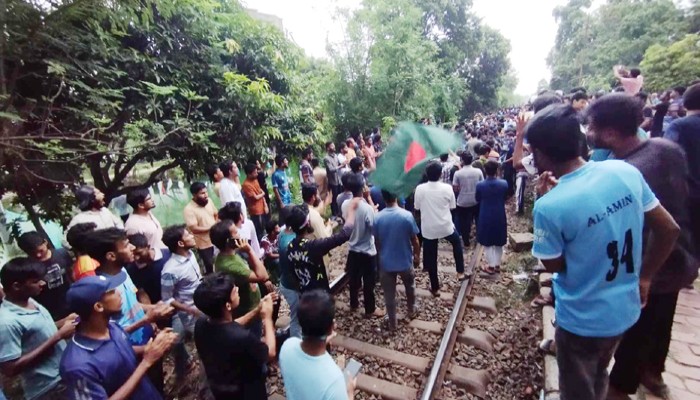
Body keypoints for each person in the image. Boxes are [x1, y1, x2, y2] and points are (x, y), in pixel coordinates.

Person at [526, 104, 679, 400]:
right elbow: (669, 230)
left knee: (578, 388)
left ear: (540, 152)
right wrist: (646, 276)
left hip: (581, 320)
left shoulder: (550, 206)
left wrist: (544, 201)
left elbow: (554, 264)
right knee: (600, 370)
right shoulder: (624, 171)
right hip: (625, 310)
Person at [586, 94, 698, 399]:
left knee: (635, 336)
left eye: (591, 127)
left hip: (649, 267)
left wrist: (646, 275)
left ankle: (618, 390)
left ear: (610, 133)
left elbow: (663, 228)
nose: (588, 133)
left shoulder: (628, 172)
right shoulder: (665, 149)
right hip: (678, 261)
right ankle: (653, 375)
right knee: (659, 327)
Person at [59, 274, 178, 399]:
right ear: (98, 306)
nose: (119, 293)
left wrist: (152, 348)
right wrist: (146, 362)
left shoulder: (110, 326)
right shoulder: (77, 365)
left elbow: (119, 350)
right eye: (112, 292)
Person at [0, 258, 77, 400]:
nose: (43, 283)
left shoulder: (28, 300)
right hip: (49, 388)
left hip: (64, 374)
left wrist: (62, 323)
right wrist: (58, 336)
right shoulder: (7, 322)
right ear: (17, 286)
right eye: (35, 281)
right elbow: (10, 369)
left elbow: (36, 333)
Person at [193, 272, 276, 400]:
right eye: (234, 290)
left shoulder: (202, 323)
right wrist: (267, 317)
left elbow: (229, 326)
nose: (237, 289)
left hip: (221, 389)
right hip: (247, 392)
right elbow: (270, 352)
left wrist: (257, 310)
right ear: (227, 305)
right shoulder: (243, 338)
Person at [85, 228, 173, 347]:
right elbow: (109, 336)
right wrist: (146, 320)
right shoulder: (102, 290)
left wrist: (154, 308)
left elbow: (132, 306)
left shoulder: (123, 271)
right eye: (126, 246)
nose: (133, 247)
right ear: (111, 256)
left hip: (146, 337)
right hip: (129, 348)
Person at [279, 290, 356, 400]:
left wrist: (322, 341)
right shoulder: (334, 381)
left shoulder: (287, 347)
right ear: (332, 327)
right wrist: (350, 393)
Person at [286, 198, 359, 293]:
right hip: (320, 296)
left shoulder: (289, 247)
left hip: (304, 295)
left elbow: (293, 276)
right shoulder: (313, 246)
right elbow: (344, 234)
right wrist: (351, 211)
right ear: (308, 223)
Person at [210, 220, 269, 335]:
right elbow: (263, 276)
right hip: (247, 311)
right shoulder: (230, 265)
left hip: (250, 305)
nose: (240, 234)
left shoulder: (230, 254)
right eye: (236, 233)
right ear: (229, 241)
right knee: (253, 336)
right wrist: (249, 249)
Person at [415, 161, 466, 294]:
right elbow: (452, 207)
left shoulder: (420, 189)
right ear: (440, 174)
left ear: (426, 174)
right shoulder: (447, 188)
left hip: (428, 228)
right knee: (456, 243)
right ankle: (460, 271)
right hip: (445, 226)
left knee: (431, 257)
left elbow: (417, 208)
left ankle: (435, 287)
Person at [160, 225, 202, 381]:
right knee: (188, 340)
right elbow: (168, 299)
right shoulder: (170, 270)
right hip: (188, 312)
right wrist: (191, 310)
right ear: (180, 243)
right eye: (188, 235)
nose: (192, 236)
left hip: (200, 305)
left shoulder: (191, 254)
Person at [374, 190, 420, 331]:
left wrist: (378, 259)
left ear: (383, 197)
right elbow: (415, 240)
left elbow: (377, 243)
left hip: (386, 263)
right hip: (405, 260)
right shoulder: (406, 216)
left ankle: (393, 323)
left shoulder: (377, 218)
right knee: (410, 286)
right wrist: (417, 256)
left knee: (389, 295)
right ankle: (411, 309)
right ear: (396, 196)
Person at [665, 83, 700, 258]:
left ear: (684, 103)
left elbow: (667, 154)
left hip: (689, 192)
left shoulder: (679, 126)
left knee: (689, 238)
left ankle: (688, 281)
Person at [340, 174, 383, 318]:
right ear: (363, 187)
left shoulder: (345, 205)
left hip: (353, 249)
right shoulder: (367, 209)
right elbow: (373, 230)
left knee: (353, 279)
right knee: (368, 282)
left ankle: (353, 304)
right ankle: (370, 309)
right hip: (367, 251)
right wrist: (375, 212)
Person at [17, 231, 73, 321]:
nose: (38, 255)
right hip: (50, 310)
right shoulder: (27, 267)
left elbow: (71, 274)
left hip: (70, 301)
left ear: (45, 242)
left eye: (40, 250)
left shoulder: (62, 254)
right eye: (32, 253)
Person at [475, 161, 508, 275]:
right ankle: (497, 264)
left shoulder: (480, 185)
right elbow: (506, 196)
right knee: (499, 240)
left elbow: (477, 199)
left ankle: (491, 266)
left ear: (485, 171)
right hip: (499, 213)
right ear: (497, 170)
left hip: (485, 214)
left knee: (487, 241)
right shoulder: (504, 184)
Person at [183, 182, 218, 275]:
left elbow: (216, 214)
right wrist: (212, 227)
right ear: (194, 195)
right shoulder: (189, 209)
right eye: (202, 193)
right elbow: (194, 228)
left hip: (216, 237)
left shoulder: (209, 201)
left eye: (206, 192)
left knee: (220, 261)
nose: (206, 195)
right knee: (210, 265)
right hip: (204, 243)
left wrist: (217, 225)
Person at [126, 233, 170, 305]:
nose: (136, 258)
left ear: (148, 247)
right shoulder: (132, 269)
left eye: (139, 253)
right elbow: (141, 292)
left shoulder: (168, 255)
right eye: (133, 254)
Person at [277, 207, 301, 337]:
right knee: (296, 318)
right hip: (292, 286)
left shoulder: (282, 232)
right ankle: (296, 343)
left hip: (286, 281)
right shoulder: (290, 242)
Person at [452, 152, 483, 247]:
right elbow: (481, 185)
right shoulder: (478, 171)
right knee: (477, 219)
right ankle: (479, 238)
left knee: (464, 223)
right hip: (476, 200)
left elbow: (455, 188)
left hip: (462, 202)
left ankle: (466, 241)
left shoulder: (458, 173)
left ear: (462, 161)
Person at [242, 163, 269, 241]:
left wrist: (265, 205)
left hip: (262, 207)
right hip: (255, 210)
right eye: (255, 172)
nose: (257, 173)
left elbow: (260, 192)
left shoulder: (255, 179)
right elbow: (256, 197)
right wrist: (262, 194)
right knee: (258, 229)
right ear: (249, 174)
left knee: (264, 226)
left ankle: (265, 241)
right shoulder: (246, 185)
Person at [324, 142, 344, 216]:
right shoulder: (326, 158)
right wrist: (341, 166)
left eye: (334, 145)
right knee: (334, 199)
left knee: (339, 196)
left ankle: (340, 212)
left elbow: (339, 164)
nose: (334, 146)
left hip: (338, 180)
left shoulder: (335, 156)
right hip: (333, 181)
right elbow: (331, 170)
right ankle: (334, 214)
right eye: (332, 146)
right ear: (328, 148)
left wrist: (343, 164)